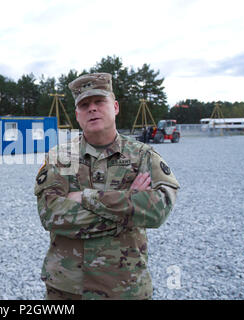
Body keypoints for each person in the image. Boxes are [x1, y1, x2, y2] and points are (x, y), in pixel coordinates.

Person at [34, 73, 180, 300]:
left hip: (125, 287)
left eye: (99, 101)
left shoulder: (143, 155)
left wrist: (86, 197)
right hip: (68, 289)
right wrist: (127, 204)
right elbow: (50, 214)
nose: (92, 109)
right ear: (77, 115)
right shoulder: (61, 157)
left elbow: (158, 210)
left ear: (115, 107)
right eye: (84, 105)